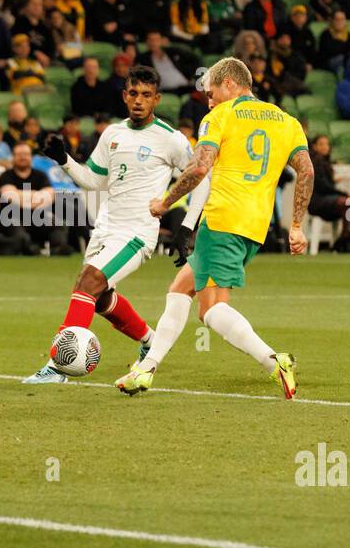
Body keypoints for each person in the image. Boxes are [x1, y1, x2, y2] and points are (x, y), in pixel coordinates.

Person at [115, 56, 309, 397]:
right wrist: (295, 225)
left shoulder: (221, 116)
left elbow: (199, 168)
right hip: (255, 227)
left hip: (222, 220)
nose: (209, 100)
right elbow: (306, 171)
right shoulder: (285, 120)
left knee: (212, 310)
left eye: (211, 92)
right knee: (179, 290)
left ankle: (273, 360)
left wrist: (165, 202)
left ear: (230, 84)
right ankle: (145, 370)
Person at [21, 66, 197, 384]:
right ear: (124, 95)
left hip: (136, 233)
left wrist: (187, 226)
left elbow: (200, 178)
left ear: (156, 99)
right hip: (105, 228)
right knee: (100, 297)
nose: (139, 100)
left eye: (146, 95)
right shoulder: (113, 134)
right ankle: (149, 341)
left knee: (88, 282)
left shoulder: (171, 139)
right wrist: (64, 159)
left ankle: (58, 366)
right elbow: (93, 180)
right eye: (133, 93)